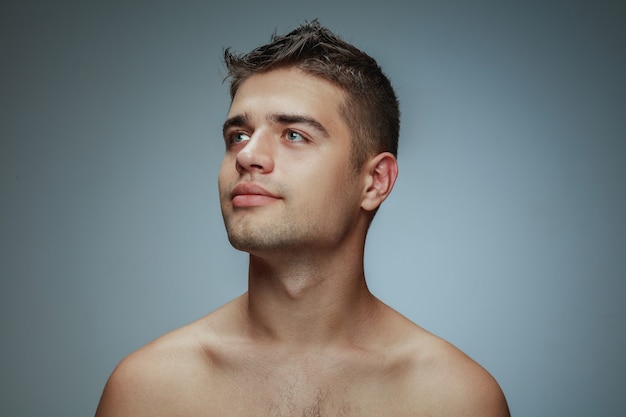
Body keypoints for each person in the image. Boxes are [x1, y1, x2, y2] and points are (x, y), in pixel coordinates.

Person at [95, 20, 510, 416]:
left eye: (294, 134)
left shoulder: (456, 399)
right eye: (237, 135)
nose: (248, 156)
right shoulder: (148, 390)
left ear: (374, 182)